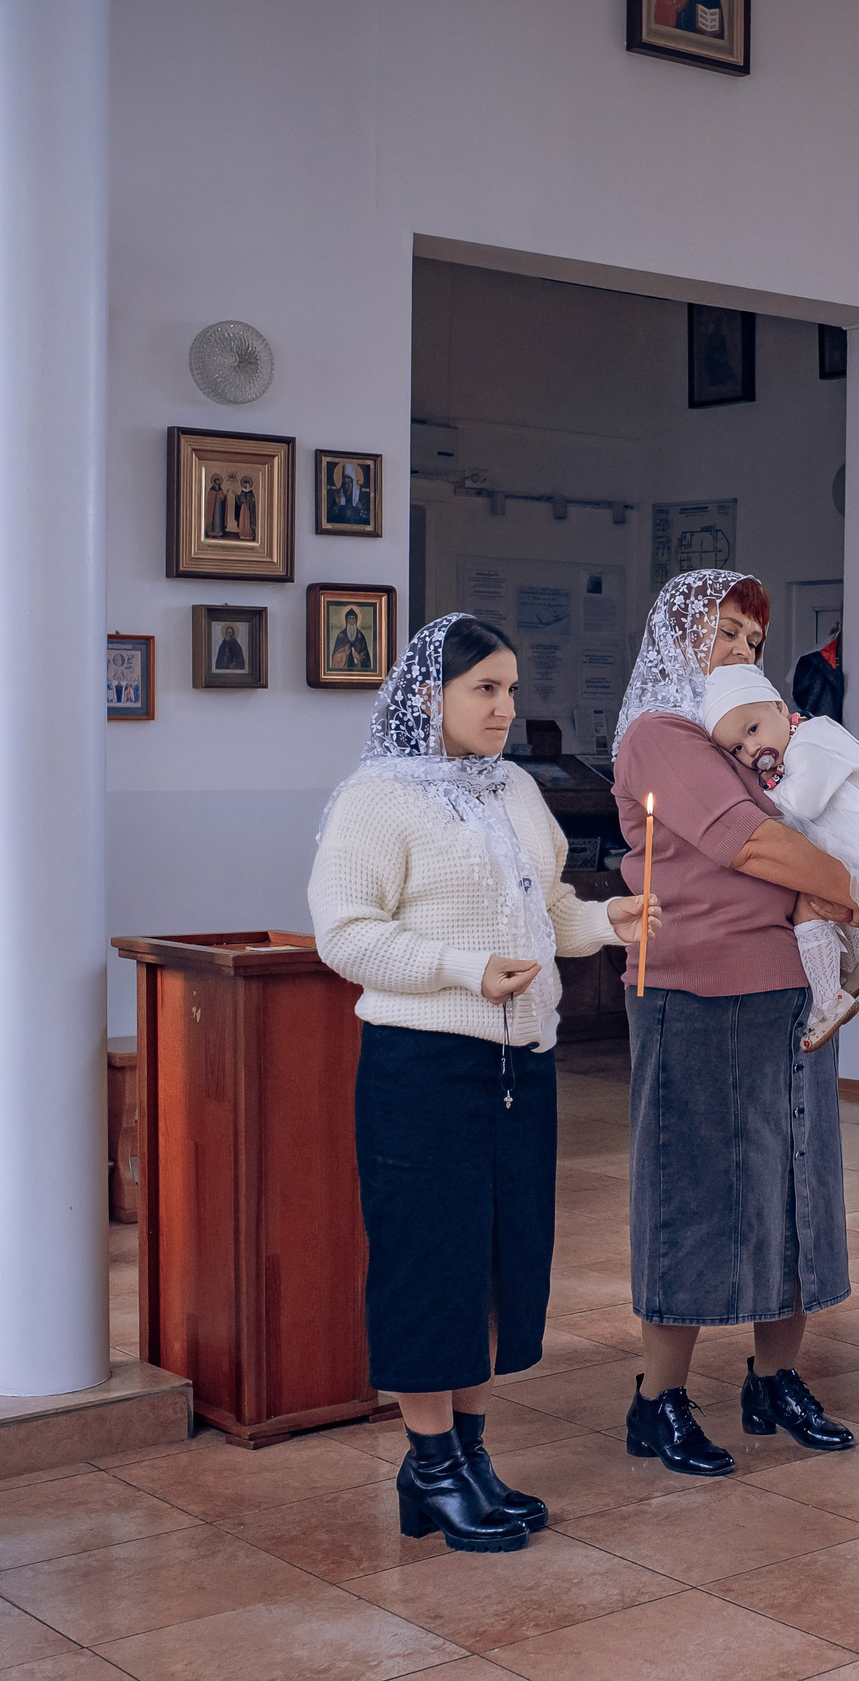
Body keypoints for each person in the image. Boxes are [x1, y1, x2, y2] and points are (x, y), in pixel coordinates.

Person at [310, 613, 657, 1553]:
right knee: (431, 1266)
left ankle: (465, 1453)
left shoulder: (510, 787)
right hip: (424, 1066)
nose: (507, 708)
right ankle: (429, 1462)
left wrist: (607, 919)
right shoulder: (377, 798)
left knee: (497, 1263)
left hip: (520, 1062)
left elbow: (542, 907)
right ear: (430, 697)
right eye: (485, 690)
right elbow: (343, 933)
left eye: (510, 688)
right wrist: (466, 968)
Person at [611, 569, 859, 1477]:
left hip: (788, 984)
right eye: (721, 635)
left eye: (753, 643)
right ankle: (658, 1398)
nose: (739, 656)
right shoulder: (660, 734)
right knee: (694, 1189)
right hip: (696, 987)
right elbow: (748, 842)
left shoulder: (762, 739)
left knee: (794, 1180)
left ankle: (775, 1377)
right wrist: (850, 883)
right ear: (680, 642)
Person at [699, 663, 859, 1049]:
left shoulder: (810, 742)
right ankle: (855, 962)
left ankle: (829, 1001)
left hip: (857, 845)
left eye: (753, 729)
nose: (751, 750)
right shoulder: (807, 739)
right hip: (849, 841)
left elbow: (804, 803)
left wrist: (767, 790)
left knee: (807, 908)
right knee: (818, 900)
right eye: (738, 749)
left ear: (780, 709)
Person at [331, 606, 375, 675]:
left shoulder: (360, 636)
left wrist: (358, 657)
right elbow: (335, 657)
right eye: (349, 619)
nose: (351, 621)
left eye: (353, 619)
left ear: (356, 620)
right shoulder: (341, 636)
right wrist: (345, 652)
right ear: (346, 620)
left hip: (357, 670)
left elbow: (366, 658)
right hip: (343, 672)